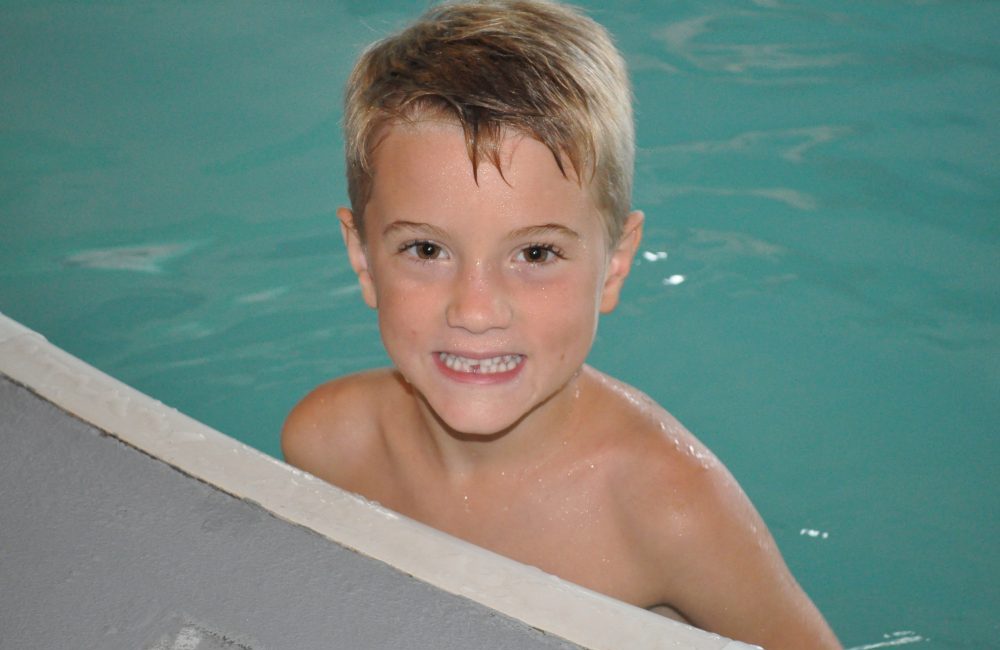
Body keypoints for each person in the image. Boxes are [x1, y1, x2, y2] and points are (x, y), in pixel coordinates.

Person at [282, 1, 840, 647]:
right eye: (426, 250)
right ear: (362, 257)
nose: (477, 310)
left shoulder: (668, 508)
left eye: (537, 254)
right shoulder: (330, 444)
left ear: (614, 265)